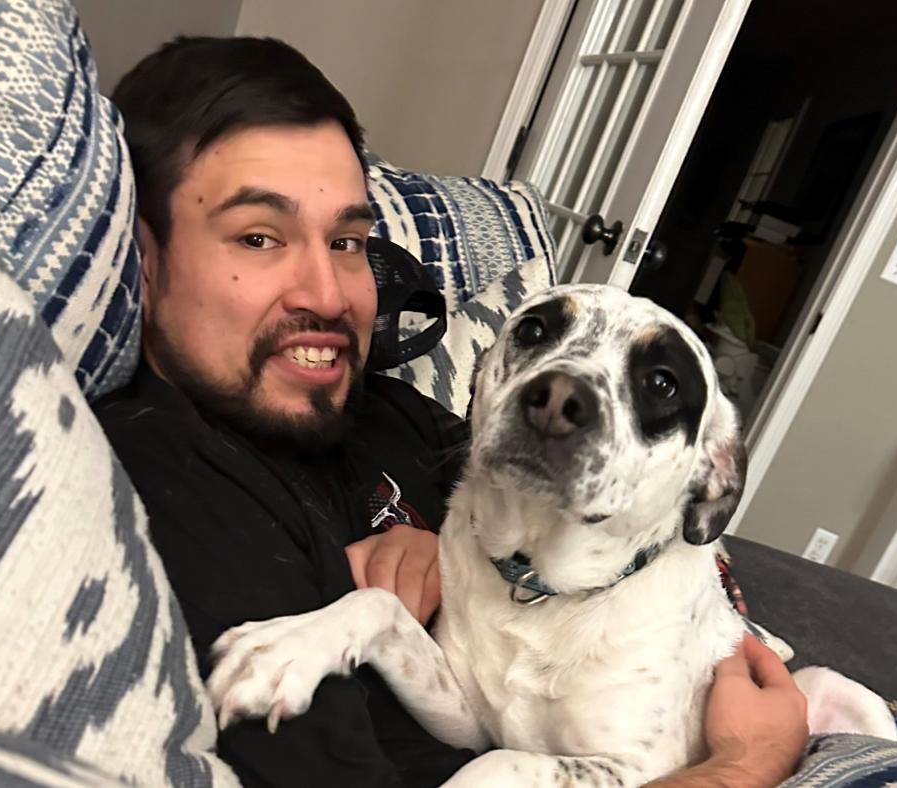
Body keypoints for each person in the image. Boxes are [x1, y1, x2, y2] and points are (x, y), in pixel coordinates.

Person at [94, 35, 808, 788]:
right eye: (259, 237)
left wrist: (429, 543)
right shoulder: (172, 489)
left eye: (346, 241)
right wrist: (745, 763)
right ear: (143, 258)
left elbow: (686, 564)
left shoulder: (385, 408)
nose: (329, 295)